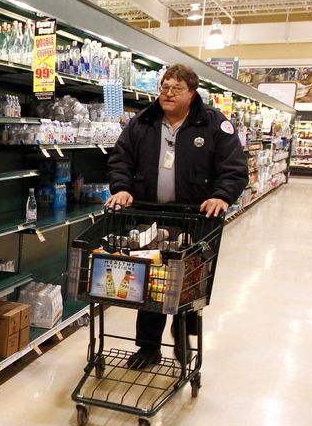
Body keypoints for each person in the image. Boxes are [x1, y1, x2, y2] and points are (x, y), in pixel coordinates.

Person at [105, 64, 249, 370]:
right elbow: (121, 159)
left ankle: (183, 333)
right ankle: (148, 348)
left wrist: (221, 195)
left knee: (189, 281)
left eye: (176, 89)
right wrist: (121, 188)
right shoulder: (142, 122)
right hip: (149, 216)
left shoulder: (213, 124)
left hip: (194, 218)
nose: (168, 94)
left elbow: (234, 167)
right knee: (149, 283)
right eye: (165, 87)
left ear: (192, 93)